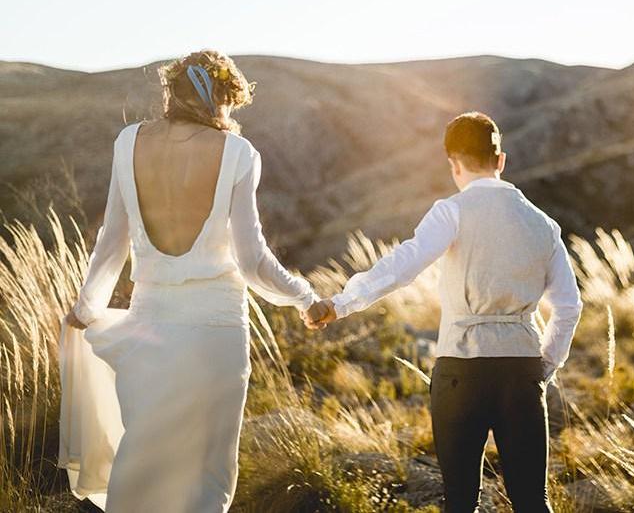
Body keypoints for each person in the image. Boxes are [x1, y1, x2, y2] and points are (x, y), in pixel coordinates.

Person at [59, 50, 330, 512]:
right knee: (205, 481)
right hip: (216, 336)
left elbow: (112, 243)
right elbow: (252, 262)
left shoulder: (127, 143)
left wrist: (84, 312)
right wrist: (305, 297)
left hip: (150, 330)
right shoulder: (239, 153)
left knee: (142, 465)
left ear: (171, 91)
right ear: (221, 99)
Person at [307, 112, 584, 512]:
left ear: (453, 164)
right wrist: (544, 367)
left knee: (460, 502)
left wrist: (339, 303)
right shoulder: (543, 224)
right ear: (500, 160)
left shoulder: (451, 211)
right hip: (521, 370)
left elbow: (403, 266)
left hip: (461, 369)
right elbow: (569, 306)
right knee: (532, 501)